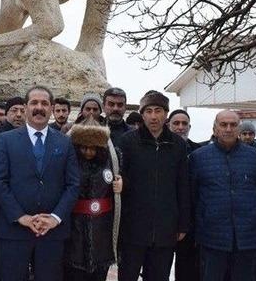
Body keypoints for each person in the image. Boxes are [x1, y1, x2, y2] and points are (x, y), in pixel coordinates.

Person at [0, 86, 80, 281]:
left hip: (52, 233)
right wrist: (21, 217)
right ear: (25, 107)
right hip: (15, 230)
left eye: (44, 103)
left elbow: (73, 185)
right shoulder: (6, 140)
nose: (39, 108)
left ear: (51, 108)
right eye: (34, 103)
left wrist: (55, 218)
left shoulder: (65, 143)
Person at [117, 91, 189, 281]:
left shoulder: (178, 145)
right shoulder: (128, 142)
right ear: (142, 114)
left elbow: (183, 185)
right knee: (127, 276)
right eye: (148, 111)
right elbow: (121, 178)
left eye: (158, 110)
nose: (153, 116)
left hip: (166, 228)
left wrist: (183, 223)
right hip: (133, 227)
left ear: (166, 114)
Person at [190, 110, 256, 281]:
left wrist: (251, 215)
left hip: (246, 237)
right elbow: (193, 194)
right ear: (215, 128)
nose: (228, 129)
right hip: (212, 237)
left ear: (239, 128)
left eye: (233, 125)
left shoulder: (255, 156)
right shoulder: (199, 157)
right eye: (223, 124)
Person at [63, 120, 122, 281]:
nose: (89, 152)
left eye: (94, 148)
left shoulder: (112, 159)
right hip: (75, 230)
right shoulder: (68, 162)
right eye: (84, 147)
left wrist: (123, 184)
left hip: (102, 230)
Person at [166, 108, 200, 281]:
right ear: (168, 125)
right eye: (176, 123)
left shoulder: (198, 152)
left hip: (189, 221)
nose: (180, 127)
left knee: (186, 268)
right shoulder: (160, 149)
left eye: (184, 123)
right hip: (164, 219)